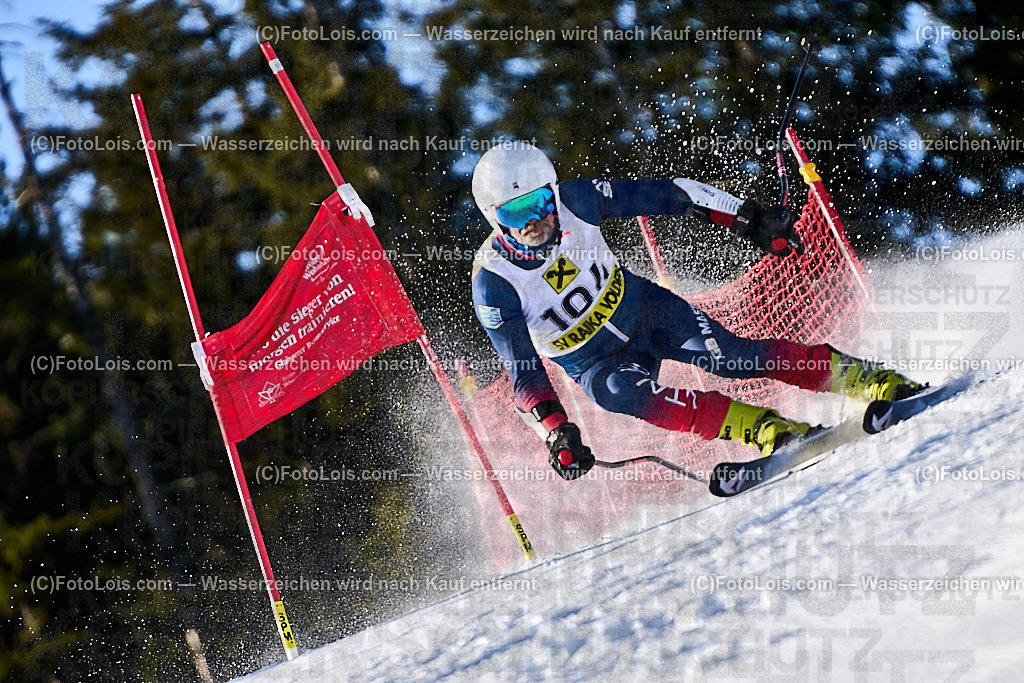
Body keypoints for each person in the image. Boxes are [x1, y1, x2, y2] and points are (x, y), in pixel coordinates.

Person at [470, 142, 922, 481]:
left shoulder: (578, 201)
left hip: (645, 311)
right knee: (616, 393)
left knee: (732, 358)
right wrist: (556, 433)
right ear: (494, 218)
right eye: (515, 213)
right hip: (593, 361)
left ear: (553, 192)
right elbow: (524, 372)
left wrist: (747, 218)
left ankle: (872, 379)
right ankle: (768, 430)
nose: (534, 221)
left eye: (539, 203)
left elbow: (672, 194)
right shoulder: (494, 283)